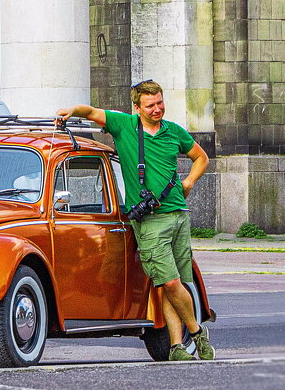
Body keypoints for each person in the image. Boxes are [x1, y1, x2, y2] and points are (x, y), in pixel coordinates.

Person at [56, 80, 214, 361]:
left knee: (169, 285)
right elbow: (91, 112)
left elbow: (201, 157)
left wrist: (188, 182)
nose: (157, 109)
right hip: (151, 220)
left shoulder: (173, 131)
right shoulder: (124, 125)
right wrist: (71, 111)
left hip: (179, 214)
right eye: (150, 105)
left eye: (160, 103)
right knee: (169, 282)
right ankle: (197, 331)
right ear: (137, 107)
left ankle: (177, 346)